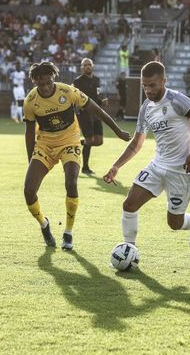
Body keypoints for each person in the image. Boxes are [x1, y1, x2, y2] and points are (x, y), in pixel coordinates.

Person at [103, 61, 190, 250]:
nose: (147, 90)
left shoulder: (177, 100)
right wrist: (116, 166)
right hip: (158, 165)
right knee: (129, 204)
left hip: (182, 170)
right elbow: (136, 144)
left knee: (174, 223)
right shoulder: (145, 108)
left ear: (164, 81)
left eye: (152, 85)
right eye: (144, 85)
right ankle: (129, 250)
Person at [23, 62, 131, 250]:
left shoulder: (68, 92)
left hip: (69, 142)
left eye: (48, 82)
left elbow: (96, 109)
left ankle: (68, 233)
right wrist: (30, 159)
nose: (46, 87)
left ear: (53, 78)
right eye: (41, 84)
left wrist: (118, 131)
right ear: (34, 82)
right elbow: (29, 132)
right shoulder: (30, 101)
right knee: (29, 191)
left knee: (71, 183)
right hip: (45, 145)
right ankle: (44, 224)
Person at [73, 58, 108, 175]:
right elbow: (74, 97)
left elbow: (99, 94)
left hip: (96, 113)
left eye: (89, 65)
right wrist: (79, 106)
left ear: (93, 66)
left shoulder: (97, 80)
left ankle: (75, 144)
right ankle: (85, 167)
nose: (87, 67)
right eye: (85, 65)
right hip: (84, 114)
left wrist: (102, 100)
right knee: (89, 139)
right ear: (82, 68)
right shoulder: (77, 81)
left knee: (98, 141)